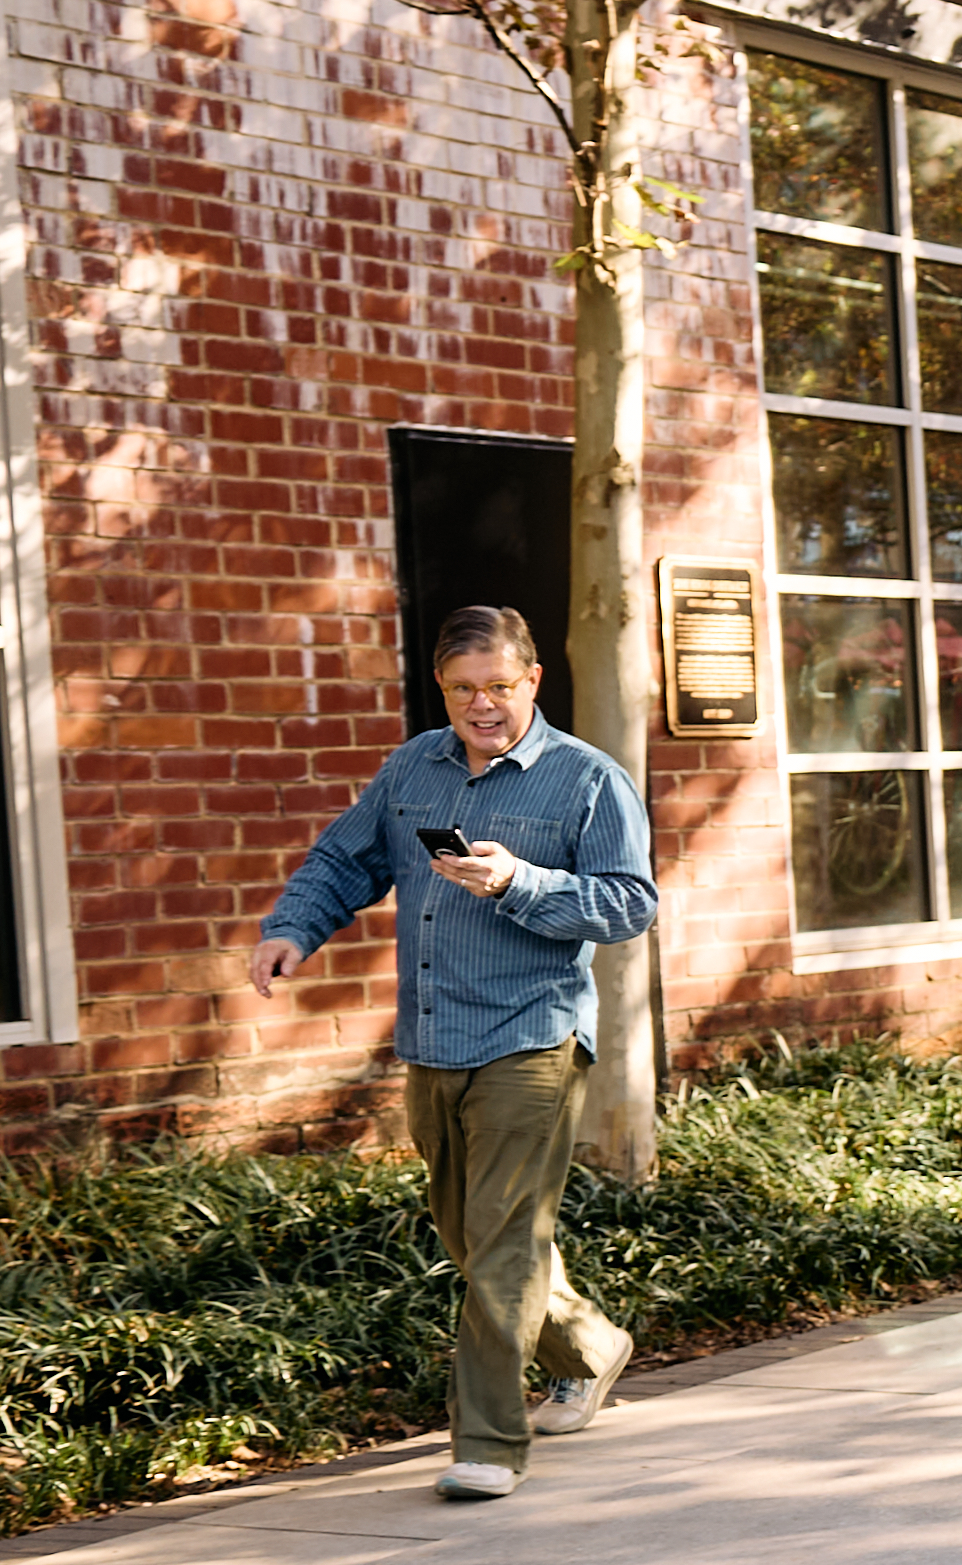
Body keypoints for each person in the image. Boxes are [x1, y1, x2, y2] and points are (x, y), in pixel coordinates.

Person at [245, 606, 660, 1500]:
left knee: (505, 1239)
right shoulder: (413, 767)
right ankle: (589, 1347)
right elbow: (344, 861)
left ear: (532, 680)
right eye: (463, 688)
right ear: (442, 688)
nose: (481, 705)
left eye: (499, 687)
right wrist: (292, 931)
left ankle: (487, 1441)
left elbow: (629, 904)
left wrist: (521, 880)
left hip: (532, 1036)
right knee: (470, 1237)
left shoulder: (586, 780)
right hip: (435, 1038)